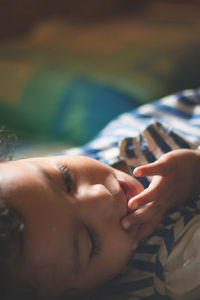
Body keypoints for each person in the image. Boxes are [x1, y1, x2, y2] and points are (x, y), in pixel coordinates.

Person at [0, 88, 200, 300]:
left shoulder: (40, 181)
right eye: (90, 239)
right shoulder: (179, 263)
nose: (100, 194)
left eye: (66, 179)